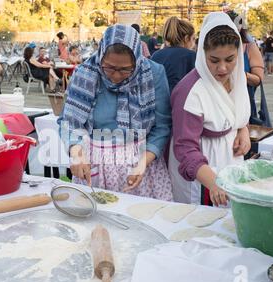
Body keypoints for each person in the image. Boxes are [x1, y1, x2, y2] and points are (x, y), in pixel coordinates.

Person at [58, 24, 173, 201]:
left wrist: (143, 163)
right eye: (109, 67)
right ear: (101, 56)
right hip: (96, 166)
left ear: (137, 59)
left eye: (126, 69)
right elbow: (70, 122)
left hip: (142, 167)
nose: (116, 76)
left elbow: (162, 126)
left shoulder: (153, 74)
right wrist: (76, 152)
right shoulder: (85, 74)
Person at [168, 12, 251, 206]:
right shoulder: (191, 93)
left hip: (229, 166)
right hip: (202, 176)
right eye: (214, 60)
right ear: (202, 54)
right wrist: (214, 183)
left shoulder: (238, 79)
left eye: (230, 59)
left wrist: (243, 130)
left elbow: (237, 112)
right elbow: (185, 147)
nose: (222, 68)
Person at [227, 11, 264, 124]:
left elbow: (258, 79)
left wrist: (239, 74)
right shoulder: (213, 47)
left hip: (244, 102)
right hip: (219, 102)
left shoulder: (249, 47)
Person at [151, 16, 196, 92]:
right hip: (181, 101)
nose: (194, 44)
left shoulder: (156, 55)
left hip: (158, 100)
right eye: (193, 39)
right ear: (186, 38)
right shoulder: (191, 55)